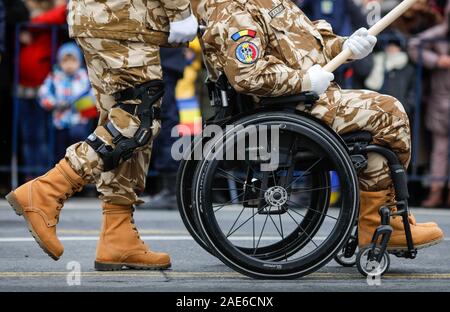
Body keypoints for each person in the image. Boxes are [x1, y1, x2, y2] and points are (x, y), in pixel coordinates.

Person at [195, 0, 444, 250]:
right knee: (390, 112)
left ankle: (379, 222)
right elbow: (248, 75)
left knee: (378, 132)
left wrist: (346, 45)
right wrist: (304, 80)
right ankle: (379, 220)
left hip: (298, 102)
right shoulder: (233, 8)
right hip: (287, 107)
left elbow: (309, 46)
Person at [6, 0, 198, 271]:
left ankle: (118, 236)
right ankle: (46, 190)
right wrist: (179, 12)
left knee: (119, 119)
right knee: (137, 120)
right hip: (125, 19)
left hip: (103, 17)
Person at [17, 0, 67, 180]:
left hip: (44, 89)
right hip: (22, 87)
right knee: (28, 137)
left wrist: (32, 25)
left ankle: (43, 178)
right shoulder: (22, 19)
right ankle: (31, 177)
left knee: (43, 137)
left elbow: (64, 10)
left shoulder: (52, 17)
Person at [409, 2, 450, 208]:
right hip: (441, 98)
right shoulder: (440, 32)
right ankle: (436, 191)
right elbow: (414, 45)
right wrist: (436, 60)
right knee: (440, 149)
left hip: (442, 97)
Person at [38, 42, 96, 160]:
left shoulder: (85, 77)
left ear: (79, 62)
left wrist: (78, 105)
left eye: (73, 61)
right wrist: (54, 103)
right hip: (59, 123)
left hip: (79, 122)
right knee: (59, 153)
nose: (69, 65)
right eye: (65, 61)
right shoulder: (55, 76)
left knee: (79, 153)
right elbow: (43, 93)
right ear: (59, 62)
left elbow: (94, 96)